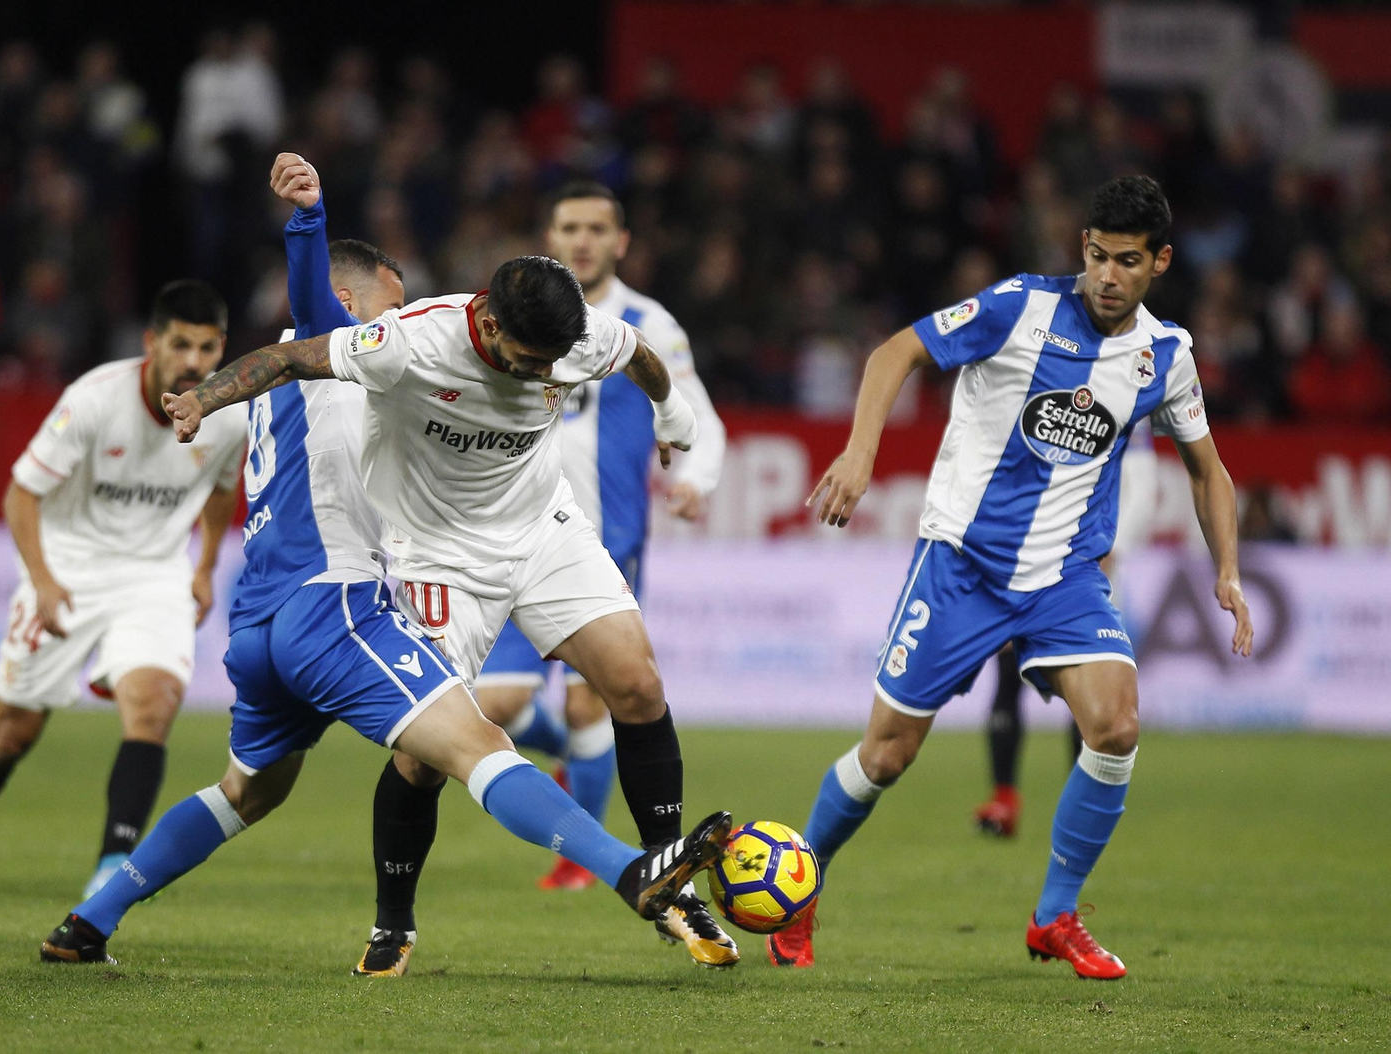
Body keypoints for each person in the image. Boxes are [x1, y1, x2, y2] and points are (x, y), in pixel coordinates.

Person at [39, 157, 731, 967]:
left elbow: (636, 352)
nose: (396, 315)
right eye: (386, 304)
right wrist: (308, 219)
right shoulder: (374, 345)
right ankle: (628, 875)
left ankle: (89, 920)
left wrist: (676, 415)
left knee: (247, 792)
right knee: (473, 747)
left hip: (259, 620)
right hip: (332, 605)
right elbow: (308, 314)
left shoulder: (381, 354)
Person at [772, 176, 1254, 978]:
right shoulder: (1018, 307)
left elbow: (1208, 470)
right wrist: (861, 452)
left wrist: (1228, 569)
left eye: (1126, 262)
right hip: (960, 567)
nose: (1105, 275)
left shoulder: (1163, 357)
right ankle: (800, 887)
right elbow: (897, 352)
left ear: (1160, 262)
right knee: (887, 756)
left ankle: (1055, 915)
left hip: (1065, 577)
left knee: (1117, 726)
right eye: (1095, 255)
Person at [0, 280, 248, 897]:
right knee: (12, 732)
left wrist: (203, 566)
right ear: (151, 343)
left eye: (207, 346)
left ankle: (113, 865)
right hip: (69, 571)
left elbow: (222, 490)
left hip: (154, 574)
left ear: (222, 348)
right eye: (181, 345)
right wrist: (43, 582)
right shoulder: (93, 401)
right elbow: (21, 493)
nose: (194, 361)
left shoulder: (227, 417)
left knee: (154, 703)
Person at [463, 182, 730, 946]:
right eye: (568, 227)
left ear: (622, 242)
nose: (581, 240)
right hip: (506, 539)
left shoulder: (648, 325)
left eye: (596, 229)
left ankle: (588, 860)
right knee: (501, 706)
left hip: (599, 546)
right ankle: (581, 813)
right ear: (548, 236)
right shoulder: (515, 315)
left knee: (594, 705)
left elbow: (696, 413)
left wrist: (693, 479)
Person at [972, 420, 1151, 837]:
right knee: (1006, 670)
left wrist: (1115, 547)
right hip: (1026, 558)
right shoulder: (1039, 384)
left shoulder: (1126, 390)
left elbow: (1143, 483)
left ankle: (1081, 807)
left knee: (1090, 689)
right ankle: (1004, 800)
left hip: (1088, 565)